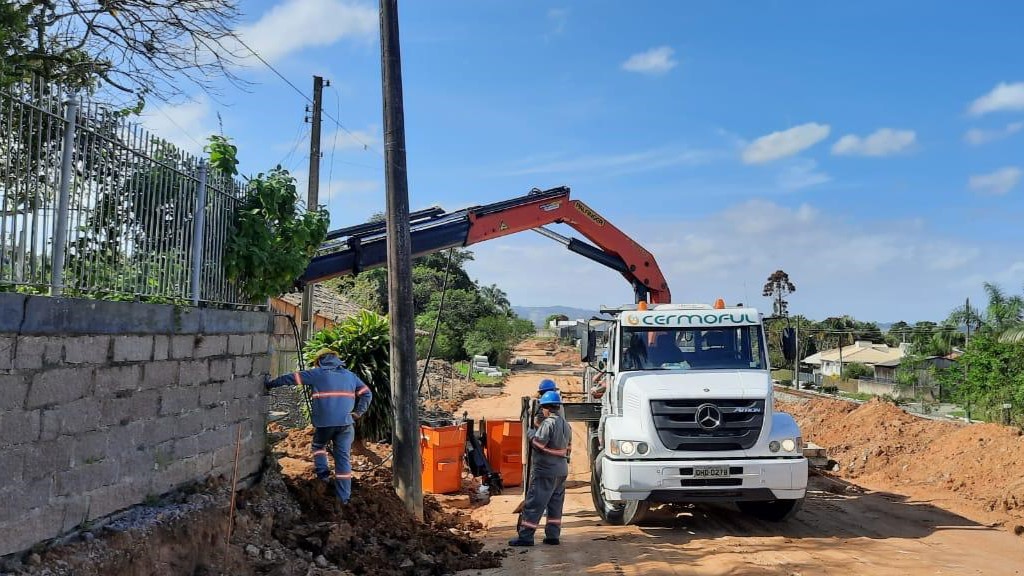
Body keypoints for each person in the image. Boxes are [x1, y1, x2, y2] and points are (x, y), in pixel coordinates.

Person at [266, 348, 372, 504]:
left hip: (325, 424)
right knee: (343, 459)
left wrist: (270, 384)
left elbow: (292, 378)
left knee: (318, 446)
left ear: (319, 361)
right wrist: (358, 412)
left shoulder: (317, 374)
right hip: (346, 423)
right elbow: (367, 393)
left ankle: (323, 475)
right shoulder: (350, 376)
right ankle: (344, 498)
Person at [510, 389, 571, 547]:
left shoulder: (549, 423)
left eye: (543, 408)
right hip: (561, 471)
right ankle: (552, 536)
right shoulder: (566, 424)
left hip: (545, 470)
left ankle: (526, 537)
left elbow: (538, 445)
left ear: (547, 408)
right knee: (555, 505)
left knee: (534, 504)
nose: (542, 411)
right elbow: (568, 448)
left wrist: (531, 434)